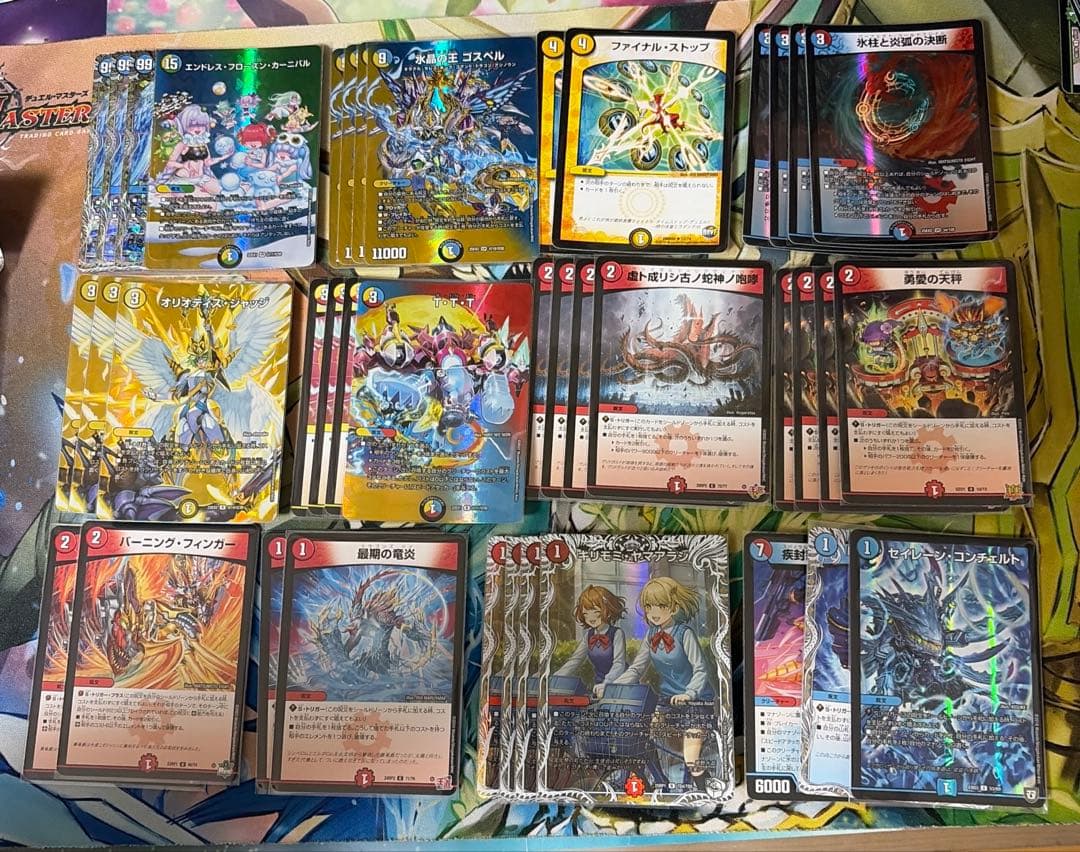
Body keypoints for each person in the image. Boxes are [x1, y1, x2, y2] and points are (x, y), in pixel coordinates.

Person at [607, 576, 715, 789]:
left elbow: (700, 669)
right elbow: (637, 668)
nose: (654, 612)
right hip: (667, 700)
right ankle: (659, 780)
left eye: (661, 606)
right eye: (649, 606)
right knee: (639, 737)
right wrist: (614, 687)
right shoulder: (651, 635)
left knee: (691, 758)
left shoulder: (685, 634)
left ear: (674, 608)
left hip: (696, 702)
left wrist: (689, 693)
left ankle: (705, 790)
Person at [553, 585, 627, 697]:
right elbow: (575, 660)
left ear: (607, 610)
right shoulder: (589, 635)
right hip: (599, 686)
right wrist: (555, 678)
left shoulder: (617, 633)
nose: (591, 618)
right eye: (586, 613)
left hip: (620, 685)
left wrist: (607, 683)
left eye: (596, 611)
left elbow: (619, 664)